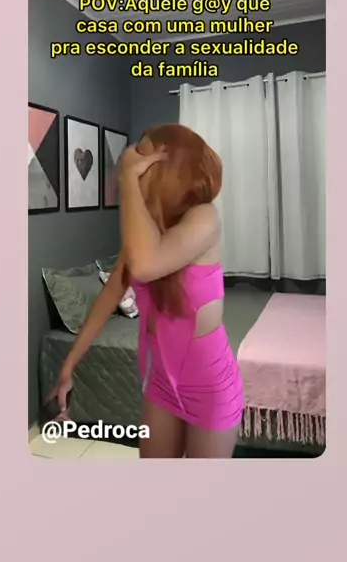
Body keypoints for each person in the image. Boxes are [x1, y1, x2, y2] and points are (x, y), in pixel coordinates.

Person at [50, 123, 243, 458]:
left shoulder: (204, 218)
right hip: (162, 381)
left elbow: (144, 266)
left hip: (209, 384)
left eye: (143, 153)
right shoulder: (147, 232)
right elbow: (107, 298)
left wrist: (127, 177)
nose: (135, 158)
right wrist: (69, 365)